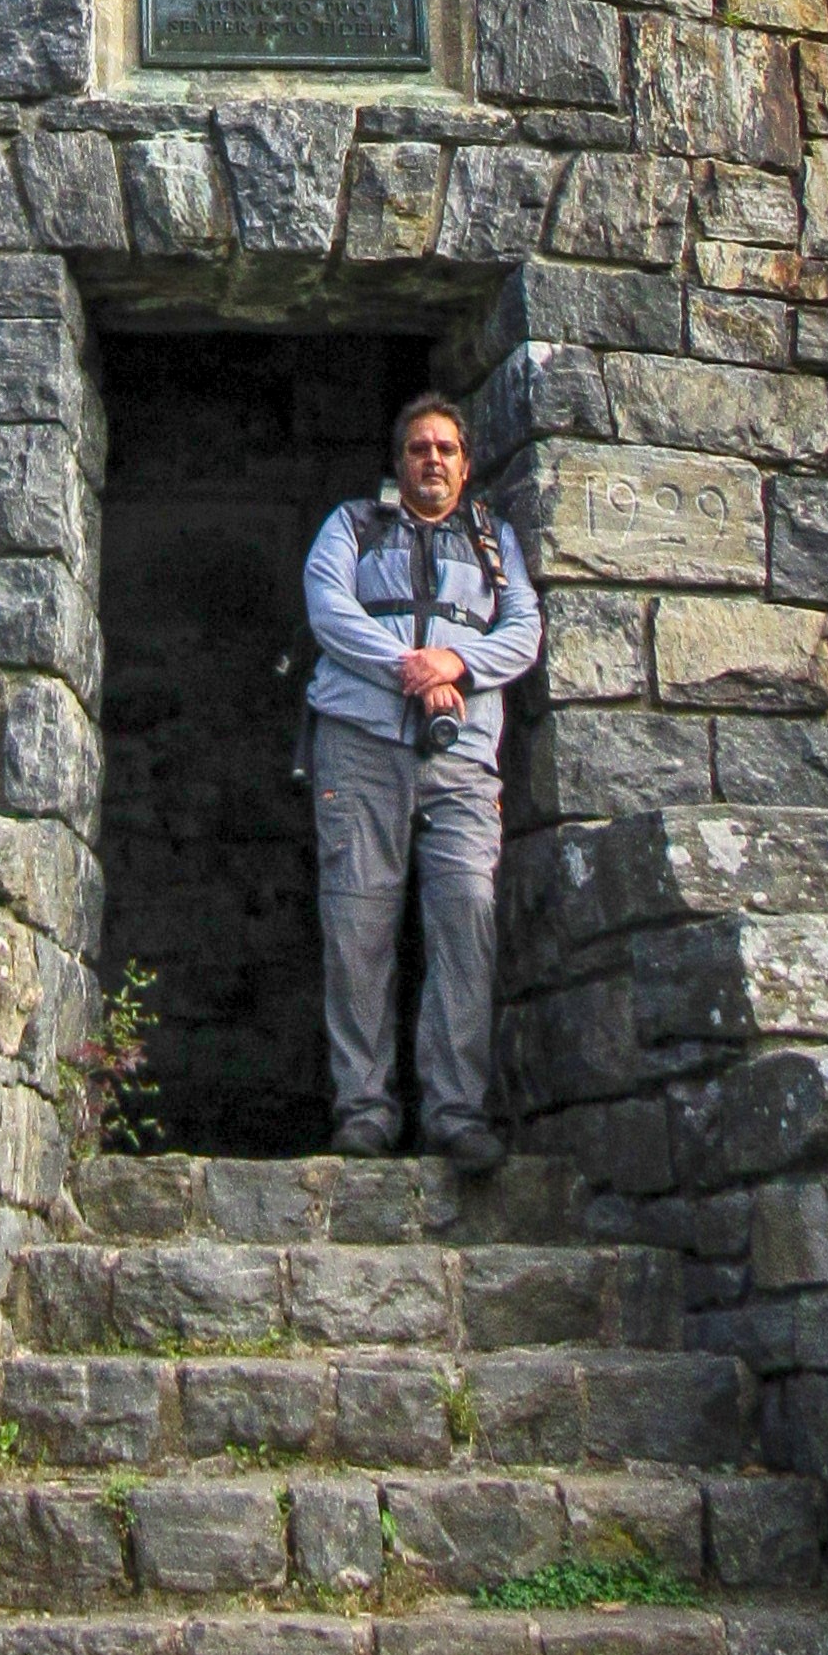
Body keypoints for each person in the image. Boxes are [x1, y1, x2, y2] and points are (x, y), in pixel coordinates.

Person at [299, 390, 544, 1172]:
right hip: (361, 748)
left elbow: (525, 633)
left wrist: (459, 664)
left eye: (445, 449)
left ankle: (456, 1111)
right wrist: (409, 670)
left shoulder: (493, 541)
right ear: (398, 461)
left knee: (466, 917)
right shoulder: (351, 527)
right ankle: (364, 1111)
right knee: (357, 925)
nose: (431, 460)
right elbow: (328, 611)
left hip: (464, 759)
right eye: (417, 449)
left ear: (466, 465)